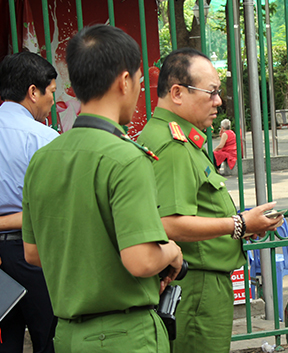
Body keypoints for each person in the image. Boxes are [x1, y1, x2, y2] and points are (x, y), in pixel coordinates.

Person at [22, 25, 183, 353]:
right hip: (126, 335)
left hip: (66, 335)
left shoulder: (43, 158)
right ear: (125, 81)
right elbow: (140, 260)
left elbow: (33, 253)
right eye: (139, 81)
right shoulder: (125, 156)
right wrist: (172, 251)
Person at [137, 47, 282, 353]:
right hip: (196, 286)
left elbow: (194, 208)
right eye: (212, 92)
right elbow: (170, 223)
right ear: (177, 92)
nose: (219, 102)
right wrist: (239, 224)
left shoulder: (178, 137)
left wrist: (241, 224)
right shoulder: (174, 144)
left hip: (195, 280)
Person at [0, 51, 58, 353]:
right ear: (33, 92)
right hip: (34, 251)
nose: (52, 101)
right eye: (51, 92)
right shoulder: (44, 138)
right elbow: (57, 209)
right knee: (48, 337)